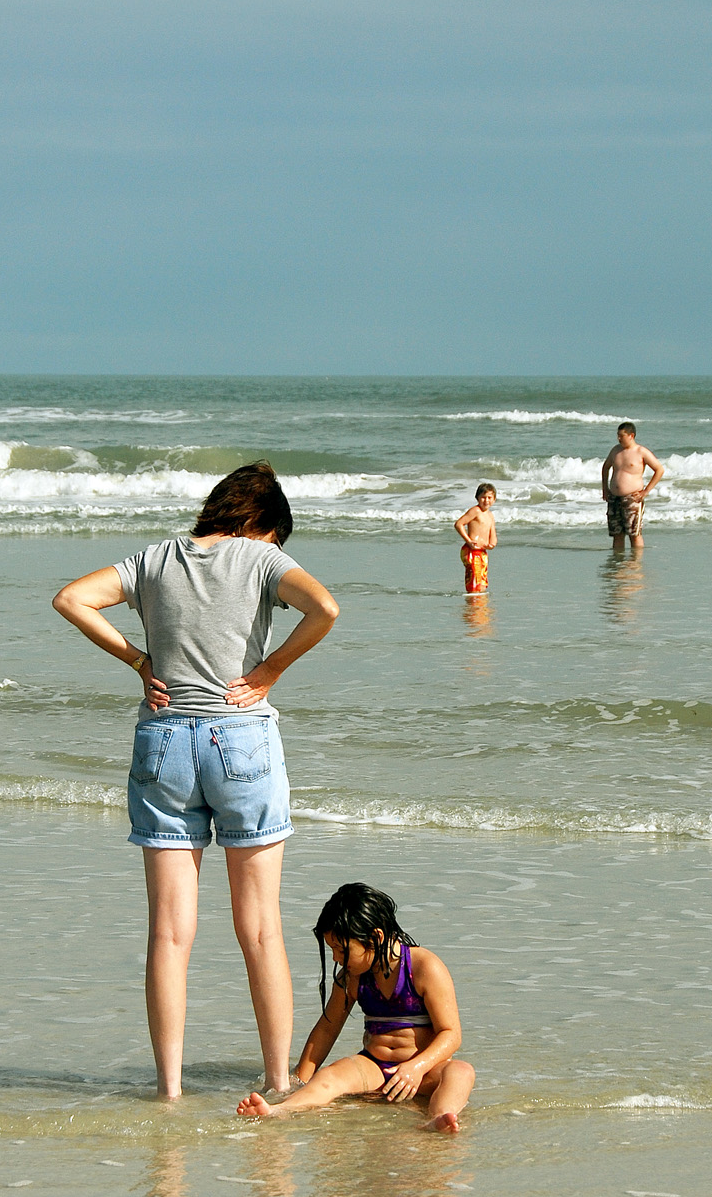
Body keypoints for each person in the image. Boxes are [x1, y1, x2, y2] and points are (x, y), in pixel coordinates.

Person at [52, 461, 339, 1100]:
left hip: (164, 743)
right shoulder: (260, 560)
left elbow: (71, 598)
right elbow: (324, 608)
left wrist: (138, 658)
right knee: (260, 926)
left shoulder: (155, 559)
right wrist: (269, 671)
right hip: (243, 738)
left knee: (169, 931)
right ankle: (275, 1084)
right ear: (263, 524)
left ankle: (170, 1089)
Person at [236, 883, 475, 1133]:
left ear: (376, 938)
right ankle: (280, 1110)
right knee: (330, 1077)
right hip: (374, 1066)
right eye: (332, 950)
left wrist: (416, 1067)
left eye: (342, 950)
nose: (337, 958)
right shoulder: (352, 975)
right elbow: (327, 1029)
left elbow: (451, 1033)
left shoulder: (424, 967)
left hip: (423, 1072)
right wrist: (300, 1078)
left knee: (461, 1072)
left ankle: (437, 1118)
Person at [601, 422, 664, 551]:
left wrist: (646, 491)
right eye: (617, 435)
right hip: (614, 498)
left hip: (632, 498)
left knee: (634, 534)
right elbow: (605, 467)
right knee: (617, 534)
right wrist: (605, 489)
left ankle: (635, 564)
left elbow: (659, 470)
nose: (618, 438)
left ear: (631, 435)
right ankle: (618, 562)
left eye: (621, 436)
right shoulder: (615, 450)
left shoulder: (641, 451)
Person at [454, 482, 498, 593]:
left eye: (489, 497)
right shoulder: (475, 511)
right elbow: (459, 524)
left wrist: (492, 544)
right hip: (471, 551)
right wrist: (468, 541)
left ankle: (479, 604)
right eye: (483, 497)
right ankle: (473, 603)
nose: (486, 500)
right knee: (475, 580)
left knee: (482, 582)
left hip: (482, 552)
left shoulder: (490, 515)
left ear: (494, 499)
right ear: (477, 498)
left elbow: (492, 532)